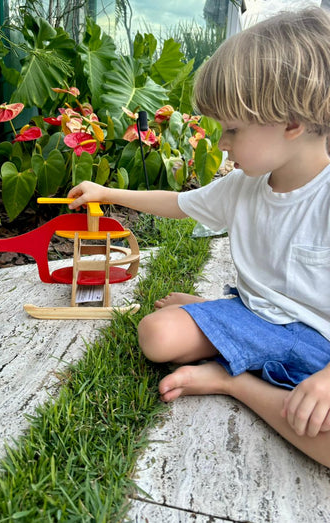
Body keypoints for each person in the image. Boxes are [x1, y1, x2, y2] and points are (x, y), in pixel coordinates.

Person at [67, 7, 330, 467]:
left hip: (321, 348)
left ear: (292, 124)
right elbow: (177, 203)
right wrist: (107, 191)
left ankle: (233, 381)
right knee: (156, 336)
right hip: (258, 319)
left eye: (232, 129)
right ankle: (220, 323)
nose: (222, 142)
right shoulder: (244, 185)